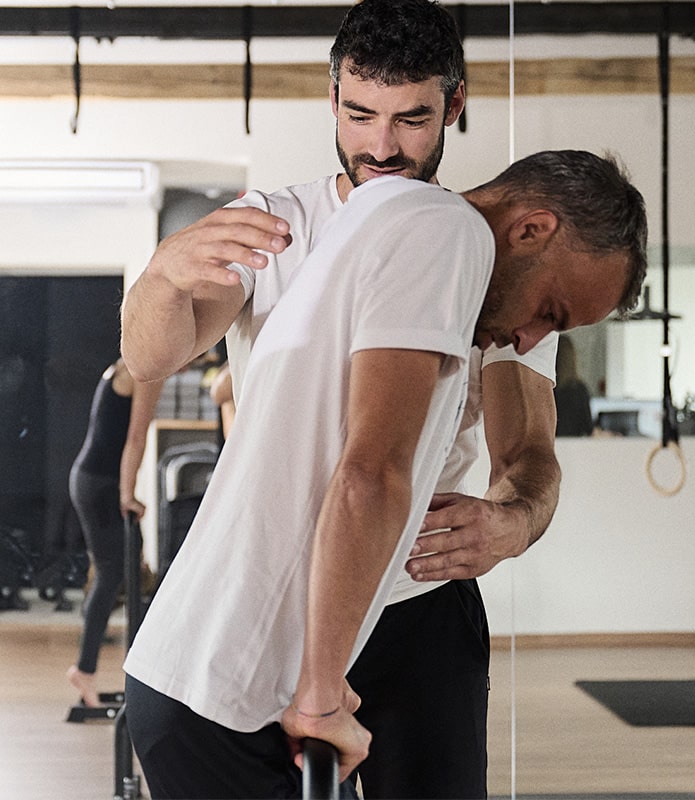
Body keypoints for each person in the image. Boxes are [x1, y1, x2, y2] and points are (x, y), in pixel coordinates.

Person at [118, 1, 559, 796]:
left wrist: (514, 520)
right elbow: (151, 355)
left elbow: (529, 454)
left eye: (412, 118)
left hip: (420, 597)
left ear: (455, 106)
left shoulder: (486, 257)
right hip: (291, 590)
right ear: (332, 102)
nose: (381, 145)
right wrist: (161, 275)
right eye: (360, 115)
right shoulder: (275, 225)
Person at [121, 148, 647, 800]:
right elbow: (370, 475)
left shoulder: (389, 215)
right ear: (531, 229)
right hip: (230, 692)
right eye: (551, 310)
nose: (533, 338)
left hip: (218, 678)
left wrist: (323, 668)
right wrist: (317, 693)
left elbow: (341, 461)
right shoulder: (446, 234)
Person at [65, 359, 163, 708]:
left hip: (89, 478)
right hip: (100, 483)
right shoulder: (149, 372)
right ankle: (85, 670)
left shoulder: (122, 366)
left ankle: (94, 670)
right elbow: (136, 437)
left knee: (114, 572)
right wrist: (127, 494)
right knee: (112, 575)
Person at [552, 334, 595, 436]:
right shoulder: (579, 390)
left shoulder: (543, 390)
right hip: (573, 447)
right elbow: (588, 427)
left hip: (549, 444)